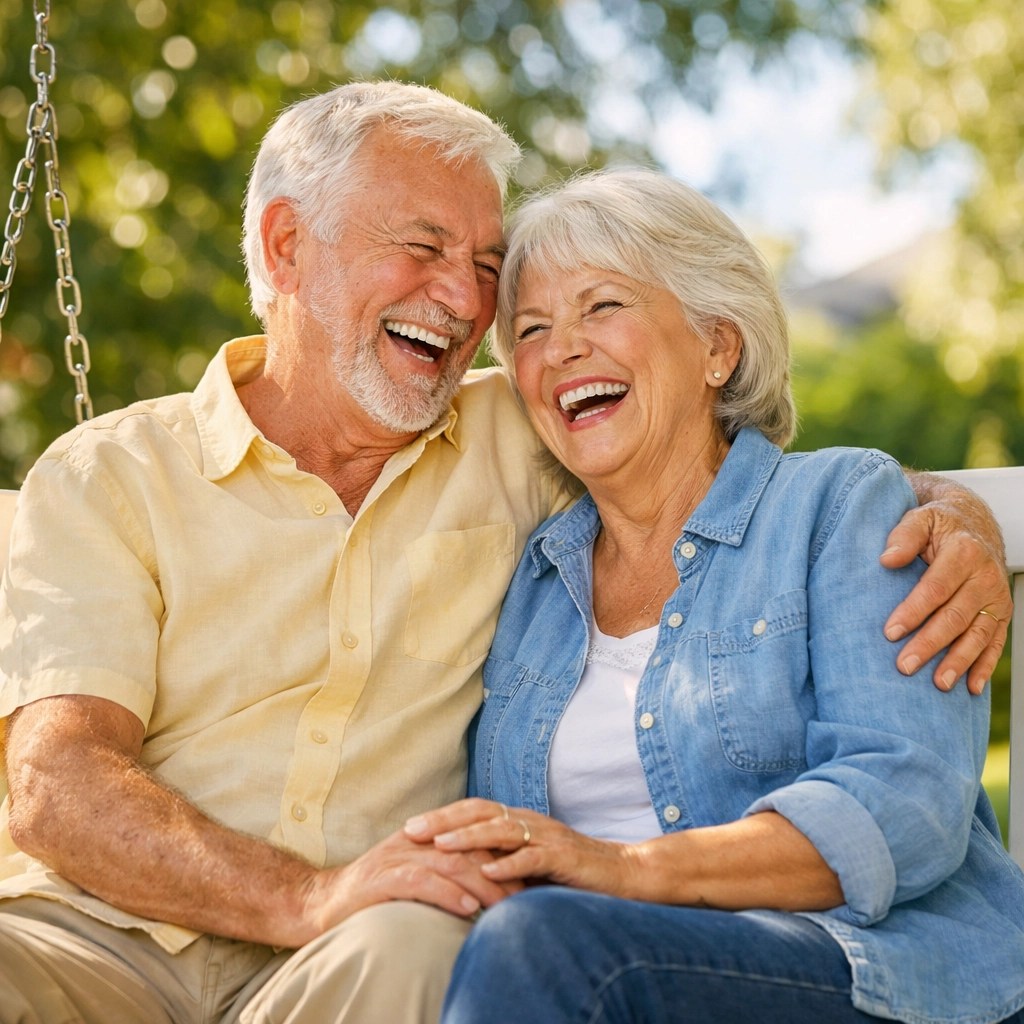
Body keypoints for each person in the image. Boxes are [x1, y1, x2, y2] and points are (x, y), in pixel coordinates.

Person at [0, 80, 1010, 1023]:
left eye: (486, 267)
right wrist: (312, 894)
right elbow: (58, 780)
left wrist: (947, 511)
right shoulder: (115, 477)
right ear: (286, 244)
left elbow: (736, 477)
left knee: (471, 942)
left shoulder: (567, 457)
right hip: (105, 938)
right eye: (425, 248)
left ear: (718, 341)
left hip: (422, 949)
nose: (462, 299)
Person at [403, 168, 1024, 1024]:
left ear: (718, 348)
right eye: (533, 330)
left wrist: (621, 870)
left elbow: (904, 803)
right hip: (605, 977)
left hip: (871, 977)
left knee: (534, 946)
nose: (563, 349)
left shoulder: (839, 509)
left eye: (603, 306)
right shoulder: (535, 585)